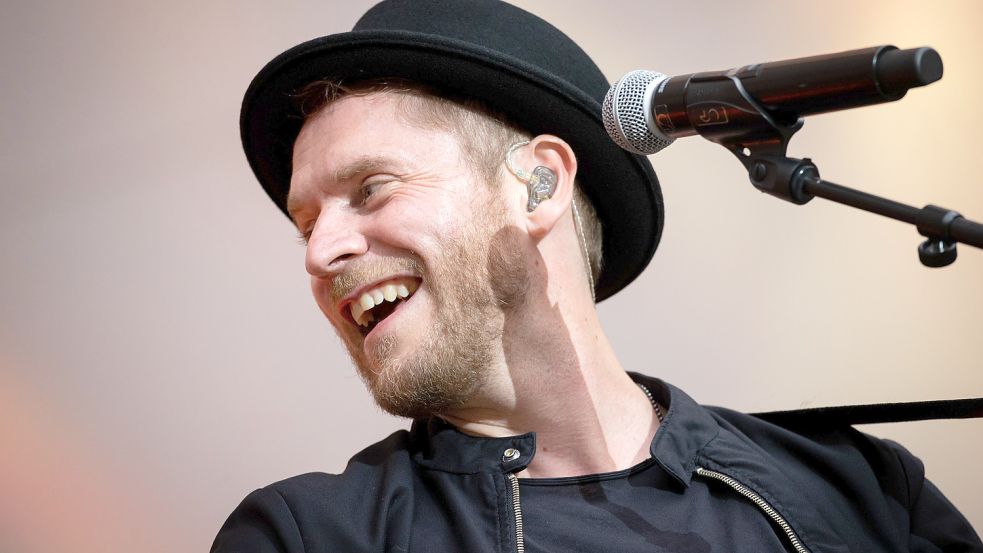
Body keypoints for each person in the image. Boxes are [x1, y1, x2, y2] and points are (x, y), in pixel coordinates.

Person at [213, 0, 982, 551]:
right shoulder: (305, 534)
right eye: (307, 226)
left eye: (371, 190)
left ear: (537, 184)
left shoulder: (856, 484)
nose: (320, 254)